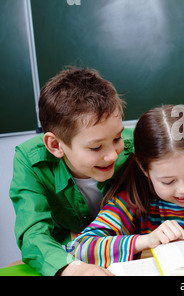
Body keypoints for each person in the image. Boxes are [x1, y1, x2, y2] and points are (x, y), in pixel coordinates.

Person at [9, 67, 133, 276]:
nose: (112, 155)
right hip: (71, 260)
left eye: (117, 138)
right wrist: (73, 268)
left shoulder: (138, 147)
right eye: (96, 148)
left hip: (127, 255)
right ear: (55, 145)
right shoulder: (29, 160)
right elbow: (33, 236)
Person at [68, 105, 184, 268]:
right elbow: (79, 248)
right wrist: (148, 240)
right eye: (168, 181)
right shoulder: (133, 201)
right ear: (144, 168)